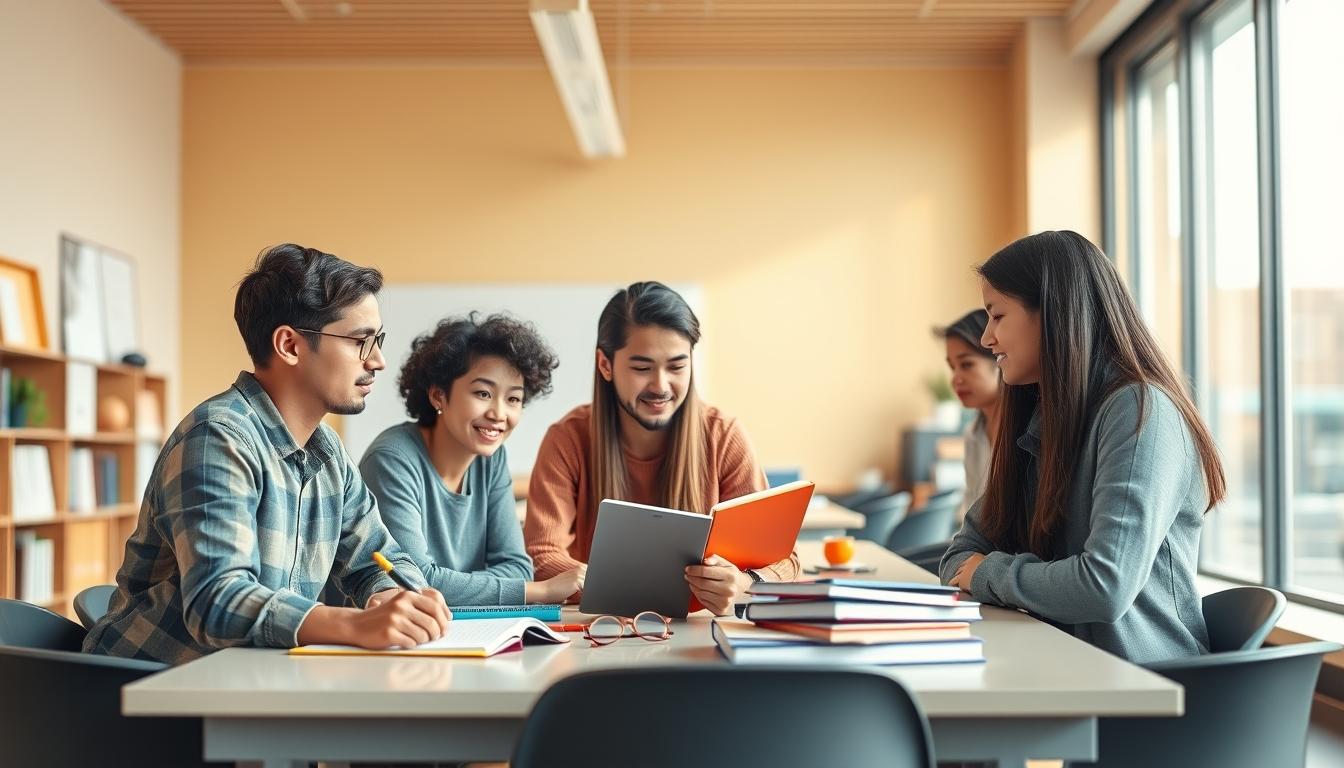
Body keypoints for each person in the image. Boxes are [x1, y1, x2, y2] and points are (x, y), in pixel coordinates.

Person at [84, 244, 450, 665]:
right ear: (290, 345)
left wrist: (395, 598)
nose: (379, 361)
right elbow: (217, 603)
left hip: (249, 681)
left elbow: (378, 561)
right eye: (360, 342)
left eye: (378, 341)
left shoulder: (327, 451)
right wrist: (355, 625)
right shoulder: (218, 439)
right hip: (148, 693)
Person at [941, 230, 1224, 663]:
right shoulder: (1043, 415)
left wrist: (989, 572)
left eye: (997, 316)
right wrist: (985, 572)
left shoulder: (1139, 411)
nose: (986, 339)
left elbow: (1104, 587)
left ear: (1052, 313)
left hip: (1145, 687)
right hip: (1059, 663)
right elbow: (960, 555)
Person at [525, 281, 799, 616]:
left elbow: (782, 560)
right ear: (605, 365)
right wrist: (606, 584)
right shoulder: (567, 439)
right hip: (600, 632)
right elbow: (541, 553)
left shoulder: (723, 435)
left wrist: (746, 583)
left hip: (701, 638)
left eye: (677, 366)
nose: (660, 386)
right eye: (641, 368)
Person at [360, 313, 586, 606]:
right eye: (483, 393)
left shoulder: (490, 459)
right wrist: (540, 591)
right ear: (439, 396)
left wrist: (452, 584)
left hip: (464, 629)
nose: (499, 413)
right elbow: (414, 580)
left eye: (513, 399)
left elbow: (518, 567)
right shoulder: (392, 460)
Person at [934, 309, 1001, 521]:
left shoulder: (1032, 431)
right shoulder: (973, 434)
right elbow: (971, 513)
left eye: (966, 365)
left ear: (1000, 359)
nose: (955, 379)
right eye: (952, 367)